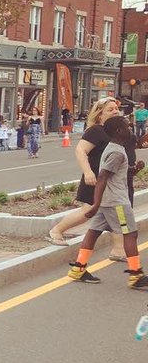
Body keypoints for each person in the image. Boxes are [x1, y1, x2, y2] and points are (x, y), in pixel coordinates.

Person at [67, 116, 148, 288]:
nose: (130, 129)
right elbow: (102, 176)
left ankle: (79, 268)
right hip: (116, 202)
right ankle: (135, 274)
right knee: (130, 233)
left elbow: (115, 174)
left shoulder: (115, 148)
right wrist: (95, 204)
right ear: (119, 131)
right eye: (127, 127)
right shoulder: (117, 152)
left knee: (94, 231)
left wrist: (134, 169)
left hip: (107, 201)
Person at [49, 97, 124, 246]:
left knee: (118, 212)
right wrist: (88, 172)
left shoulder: (117, 132)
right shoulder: (96, 131)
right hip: (96, 178)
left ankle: (120, 250)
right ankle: (56, 230)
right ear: (99, 115)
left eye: (116, 108)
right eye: (110, 109)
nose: (115, 111)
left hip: (112, 181)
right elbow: (80, 150)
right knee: (88, 211)